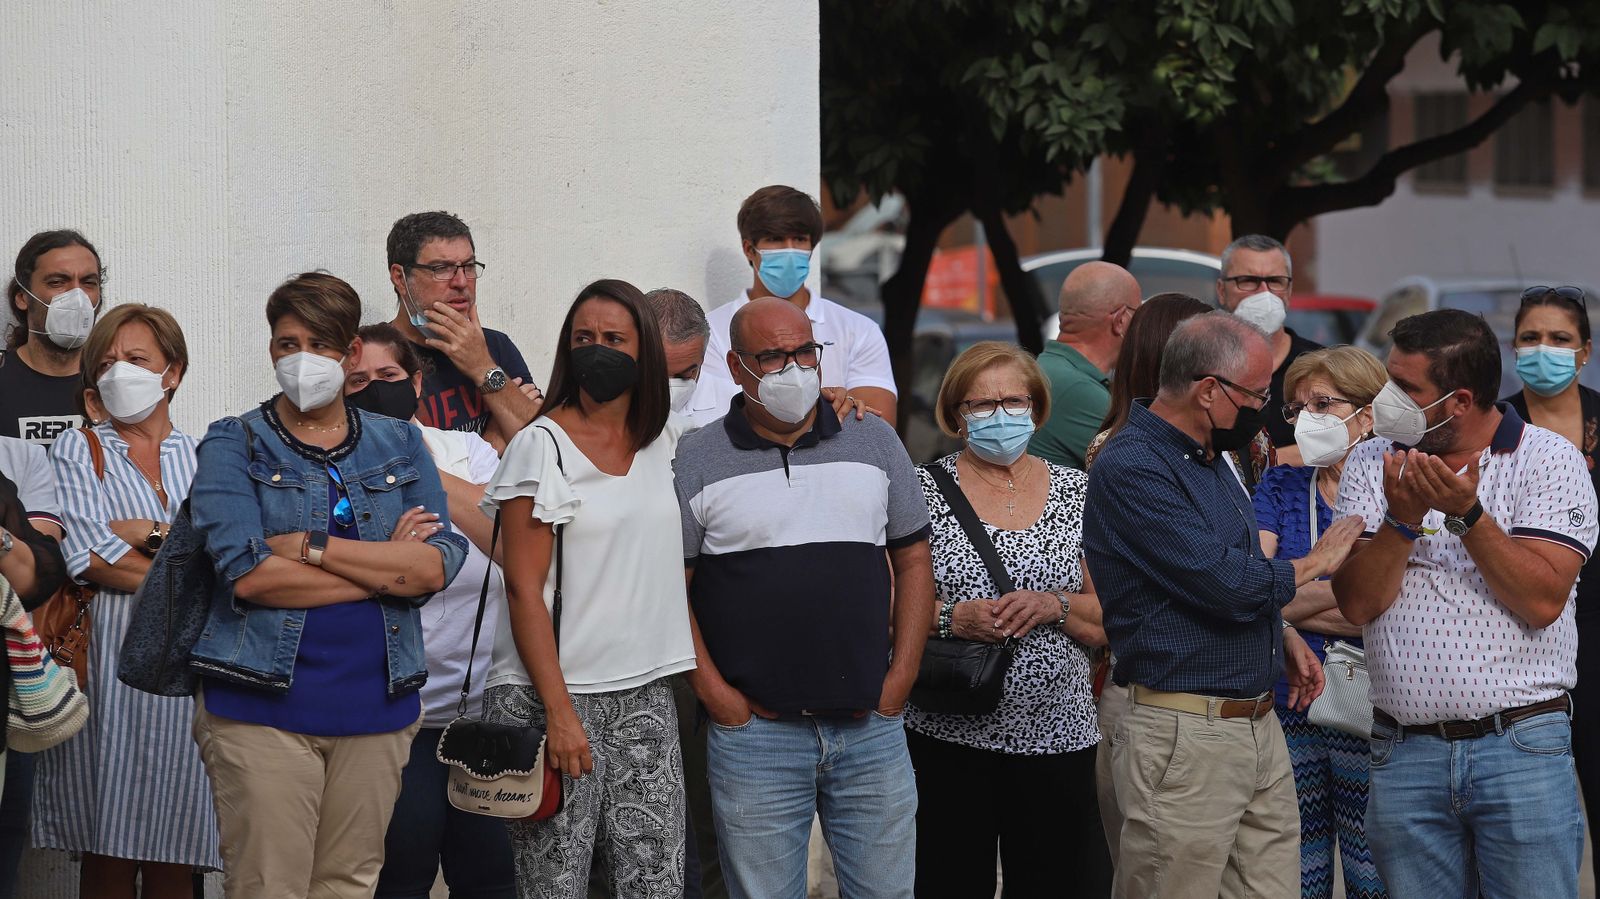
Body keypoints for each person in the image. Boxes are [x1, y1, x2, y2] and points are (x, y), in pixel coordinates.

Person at [188, 272, 467, 899]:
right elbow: (250, 574)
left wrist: (315, 550)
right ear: (270, 351)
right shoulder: (236, 442)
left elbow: (436, 564)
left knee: (349, 883)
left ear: (348, 356)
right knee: (270, 885)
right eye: (287, 344)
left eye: (319, 344)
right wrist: (385, 570)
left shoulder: (399, 442)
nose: (300, 359)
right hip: (259, 703)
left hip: (377, 701)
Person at [1082, 312, 1363, 899]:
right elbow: (1227, 582)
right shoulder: (1134, 464)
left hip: (1255, 722)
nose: (1262, 411)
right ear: (1209, 390)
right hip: (1185, 729)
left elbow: (1236, 578)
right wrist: (1317, 562)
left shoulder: (1212, 456)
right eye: (1257, 395)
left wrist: (1279, 633)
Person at [1333, 308, 1599, 899]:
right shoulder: (1370, 460)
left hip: (1521, 751)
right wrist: (1401, 521)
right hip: (1404, 753)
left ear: (1457, 400)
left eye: (1405, 389)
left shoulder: (1550, 459)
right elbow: (1357, 603)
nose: (1386, 401)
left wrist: (1469, 516)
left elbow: (1541, 600)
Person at [674, 296, 934, 899]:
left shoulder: (874, 440)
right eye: (773, 357)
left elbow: (914, 559)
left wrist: (901, 680)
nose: (794, 369)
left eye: (804, 352)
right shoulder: (698, 456)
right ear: (737, 368)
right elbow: (673, 588)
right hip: (755, 738)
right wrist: (719, 699)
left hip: (871, 726)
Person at [480, 279, 694, 898]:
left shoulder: (664, 442)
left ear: (645, 351)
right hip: (552, 696)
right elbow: (523, 590)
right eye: (583, 338)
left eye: (613, 339)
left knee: (655, 883)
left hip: (645, 692)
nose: (596, 349)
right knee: (554, 886)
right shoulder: (538, 447)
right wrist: (559, 713)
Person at [908, 341, 1111, 897]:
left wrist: (1055, 604)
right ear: (955, 414)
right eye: (982, 405)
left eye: (1013, 401)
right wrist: (955, 618)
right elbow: (889, 607)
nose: (1000, 415)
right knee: (947, 883)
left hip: (1058, 739)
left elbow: (1109, 618)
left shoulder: (1079, 491)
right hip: (947, 734)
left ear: (1037, 407)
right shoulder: (920, 492)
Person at [36, 304, 219, 896]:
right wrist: (185, 559)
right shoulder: (77, 449)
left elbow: (232, 559)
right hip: (113, 669)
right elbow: (88, 558)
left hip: (192, 670)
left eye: (136, 360)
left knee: (181, 840)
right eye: (108, 362)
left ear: (172, 372)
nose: (120, 372)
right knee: (108, 839)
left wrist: (146, 532)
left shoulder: (209, 457)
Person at [343, 323, 515, 899]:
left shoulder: (465, 452)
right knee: (399, 873)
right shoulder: (330, 469)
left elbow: (511, 545)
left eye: (388, 377)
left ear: (416, 382)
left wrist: (414, 465)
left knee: (491, 876)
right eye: (357, 380)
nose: (373, 390)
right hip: (391, 717)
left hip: (482, 712)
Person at [1079, 292, 1211, 868]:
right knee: (1157, 860)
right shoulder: (1122, 452)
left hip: (1232, 672)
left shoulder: (1232, 445)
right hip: (1151, 680)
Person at [1253, 346, 1389, 899]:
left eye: (1323, 403)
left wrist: (1295, 596)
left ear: (1368, 413)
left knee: (1371, 872)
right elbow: (1255, 593)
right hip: (1292, 704)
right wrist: (1347, 600)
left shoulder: (1399, 486)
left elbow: (1397, 604)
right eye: (1296, 408)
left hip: (1377, 708)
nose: (1307, 417)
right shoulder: (1280, 485)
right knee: (1295, 871)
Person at [1501, 286, 1600, 895]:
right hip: (1523, 638)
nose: (1545, 350)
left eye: (1559, 339)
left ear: (1584, 352)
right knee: (1527, 826)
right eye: (1531, 338)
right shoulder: (1497, 425)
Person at [686, 186, 898, 428]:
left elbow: (876, 427)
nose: (789, 250)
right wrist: (830, 408)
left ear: (812, 247)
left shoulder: (859, 330)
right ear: (749, 249)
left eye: (799, 239)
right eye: (775, 239)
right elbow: (719, 424)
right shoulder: (711, 333)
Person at [385, 211, 541, 449]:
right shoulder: (380, 360)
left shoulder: (495, 345)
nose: (461, 281)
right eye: (442, 268)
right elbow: (407, 470)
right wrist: (491, 445)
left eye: (468, 266)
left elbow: (541, 445)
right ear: (400, 278)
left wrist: (482, 366)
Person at [1215, 234, 1321, 462]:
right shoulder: (1202, 367)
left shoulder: (1323, 366)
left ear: (1289, 290)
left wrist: (1259, 464)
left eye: (1275, 281)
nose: (1264, 292)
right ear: (1221, 291)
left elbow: (1345, 444)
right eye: (1248, 280)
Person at [1029, 261, 1140, 470]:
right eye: (1139, 314)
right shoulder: (1077, 388)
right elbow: (1145, 471)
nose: (1141, 327)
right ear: (1121, 320)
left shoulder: (1055, 370)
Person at [2, 229, 104, 445]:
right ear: (22, 297)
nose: (77, 296)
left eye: (88, 283)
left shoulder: (114, 381)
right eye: (57, 282)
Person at [647, 288, 713, 417]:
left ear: (702, 359)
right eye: (656, 374)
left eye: (684, 376)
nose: (670, 387)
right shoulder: (606, 404)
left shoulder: (734, 404)